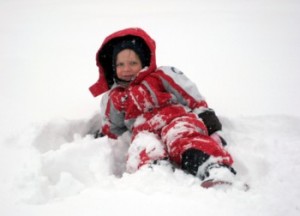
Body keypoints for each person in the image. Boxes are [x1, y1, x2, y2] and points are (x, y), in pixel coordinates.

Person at [89, 27, 236, 185]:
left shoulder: (160, 76)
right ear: (113, 67)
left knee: (183, 137)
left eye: (133, 63)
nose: (126, 69)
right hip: (143, 130)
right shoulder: (114, 97)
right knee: (143, 147)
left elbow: (187, 93)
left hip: (175, 118)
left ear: (144, 62)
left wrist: (204, 113)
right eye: (121, 64)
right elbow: (113, 124)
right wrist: (105, 135)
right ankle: (154, 176)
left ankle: (214, 168)